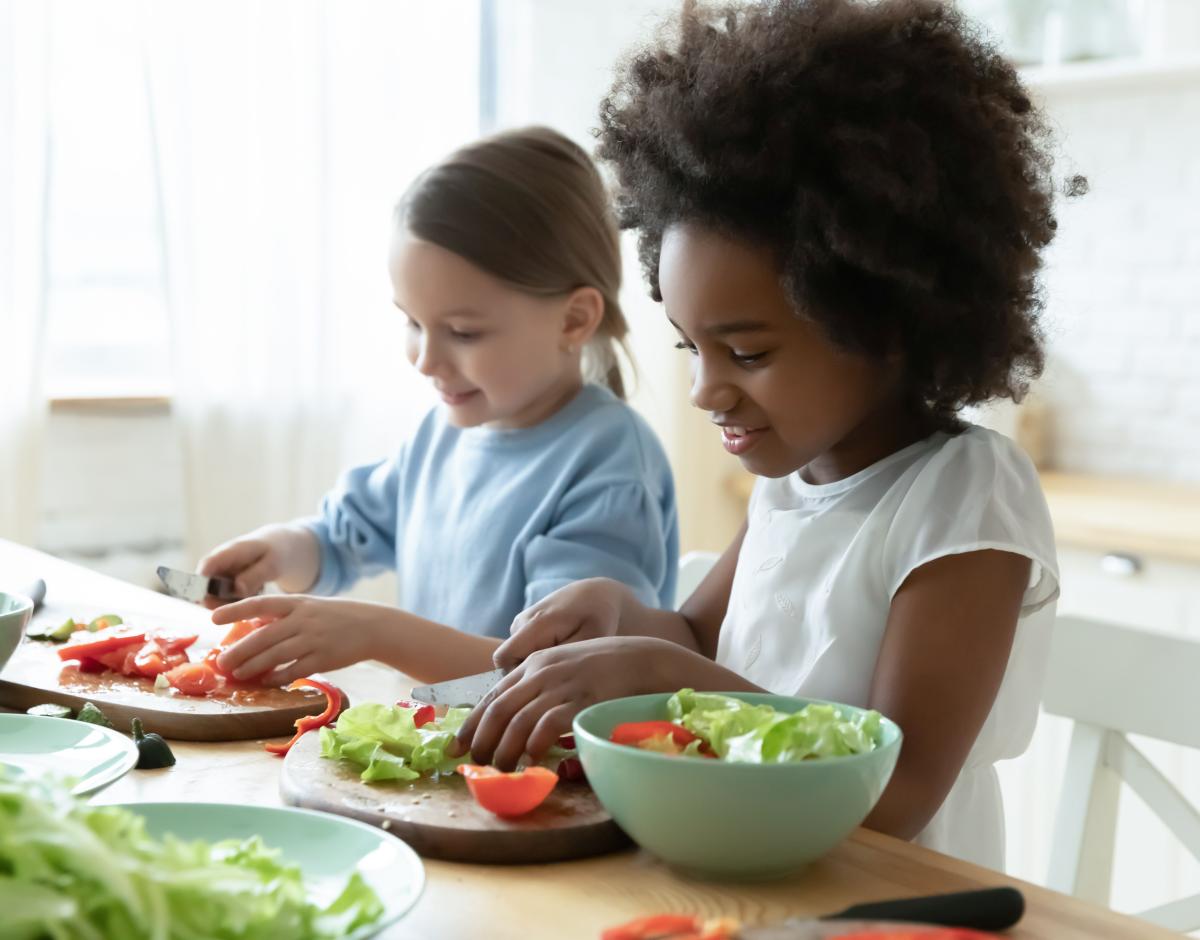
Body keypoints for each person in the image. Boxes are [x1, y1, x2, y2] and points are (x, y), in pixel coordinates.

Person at [455, 0, 1083, 870]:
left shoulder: (963, 497)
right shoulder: (794, 478)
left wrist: (661, 674)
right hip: (749, 880)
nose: (707, 387)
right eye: (690, 345)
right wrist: (624, 617)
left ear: (888, 322)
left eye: (746, 350)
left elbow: (895, 792)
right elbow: (698, 644)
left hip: (892, 907)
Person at [201, 127, 679, 687]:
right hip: (438, 756)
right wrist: (278, 551)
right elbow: (341, 537)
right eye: (412, 322)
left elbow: (560, 675)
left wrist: (376, 633)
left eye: (462, 332)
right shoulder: (441, 434)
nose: (425, 360)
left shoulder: (608, 462)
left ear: (574, 320)